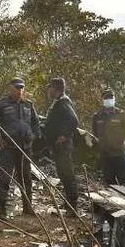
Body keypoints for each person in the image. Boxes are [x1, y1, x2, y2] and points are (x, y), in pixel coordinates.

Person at [0, 77, 40, 220]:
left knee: (26, 178)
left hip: (25, 147)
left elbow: (36, 122)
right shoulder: (1, 105)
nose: (20, 91)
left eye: (22, 88)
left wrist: (33, 135)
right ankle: (1, 211)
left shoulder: (28, 104)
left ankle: (28, 207)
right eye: (17, 88)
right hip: (8, 147)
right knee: (4, 178)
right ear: (10, 88)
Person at [43, 76, 80, 213]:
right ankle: (68, 204)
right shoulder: (58, 102)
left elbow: (74, 120)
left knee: (67, 174)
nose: (49, 91)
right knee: (63, 174)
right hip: (58, 146)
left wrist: (64, 137)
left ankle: (72, 206)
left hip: (63, 146)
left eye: (50, 88)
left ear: (55, 88)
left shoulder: (63, 103)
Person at [91, 88, 125, 186]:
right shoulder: (97, 116)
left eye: (111, 98)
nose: (109, 100)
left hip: (119, 155)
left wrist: (117, 140)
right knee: (109, 184)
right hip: (105, 156)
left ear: (114, 99)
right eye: (106, 98)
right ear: (102, 100)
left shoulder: (122, 115)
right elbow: (95, 133)